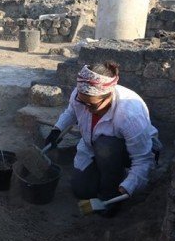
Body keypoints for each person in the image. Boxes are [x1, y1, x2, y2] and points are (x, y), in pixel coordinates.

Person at [45, 60, 160, 214]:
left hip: (131, 150)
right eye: (82, 103)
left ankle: (113, 184)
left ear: (109, 95)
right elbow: (72, 112)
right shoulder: (81, 94)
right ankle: (104, 170)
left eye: (92, 106)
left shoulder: (129, 116)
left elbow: (143, 160)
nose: (86, 109)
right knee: (82, 191)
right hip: (93, 146)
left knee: (106, 146)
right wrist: (56, 130)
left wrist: (128, 186)